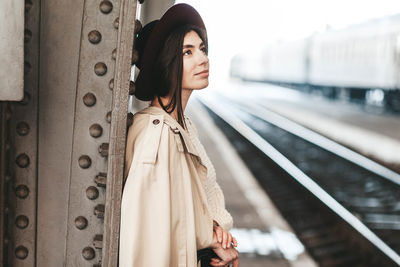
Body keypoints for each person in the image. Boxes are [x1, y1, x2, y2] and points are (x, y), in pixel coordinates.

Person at [119, 4, 239, 267]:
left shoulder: (182, 126)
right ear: (166, 63)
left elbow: (196, 200)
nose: (203, 58)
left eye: (202, 49)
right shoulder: (158, 134)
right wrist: (210, 241)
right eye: (187, 52)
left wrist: (216, 231)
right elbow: (147, 243)